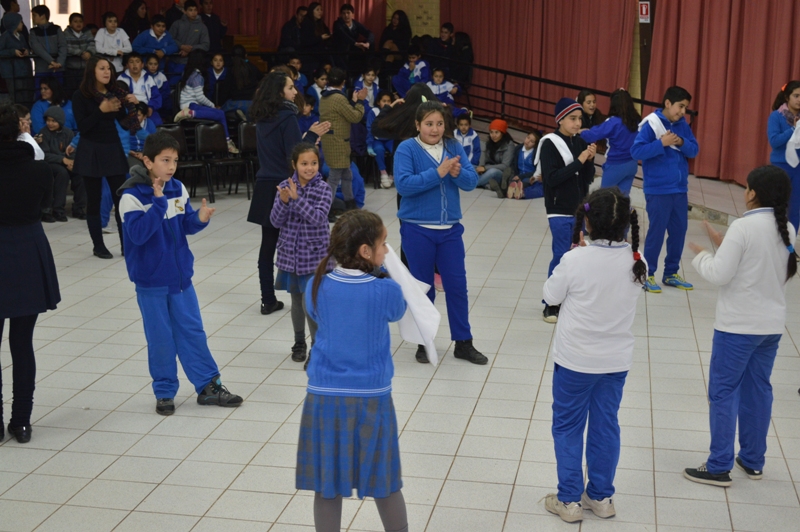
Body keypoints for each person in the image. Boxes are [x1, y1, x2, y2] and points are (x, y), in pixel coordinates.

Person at [683, 165, 797, 487]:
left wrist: (703, 255)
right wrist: (724, 245)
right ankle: (752, 459)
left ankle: (719, 464)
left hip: (737, 328)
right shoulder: (787, 227)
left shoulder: (743, 227)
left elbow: (720, 275)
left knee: (723, 392)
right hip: (771, 328)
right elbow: (760, 267)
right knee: (758, 391)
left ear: (752, 194)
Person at [297, 209, 408, 532]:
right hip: (371, 398)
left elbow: (316, 314)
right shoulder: (384, 289)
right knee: (385, 481)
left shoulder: (316, 286)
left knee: (326, 484)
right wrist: (386, 274)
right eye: (383, 244)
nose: (387, 251)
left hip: (324, 398)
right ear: (365, 251)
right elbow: (398, 311)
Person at [118, 131, 243, 415]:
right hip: (151, 282)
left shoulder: (178, 188)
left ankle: (209, 387)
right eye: (165, 160)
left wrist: (198, 220)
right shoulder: (131, 195)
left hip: (181, 279)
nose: (171, 166)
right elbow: (136, 235)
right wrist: (158, 202)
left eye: (174, 160)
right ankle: (164, 392)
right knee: (161, 337)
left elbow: (184, 224)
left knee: (192, 331)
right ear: (147, 161)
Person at [542, 187, 647, 523]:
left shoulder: (575, 259)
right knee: (605, 426)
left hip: (575, 361)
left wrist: (575, 253)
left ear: (586, 221)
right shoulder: (637, 261)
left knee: (568, 427)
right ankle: (601, 496)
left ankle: (569, 500)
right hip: (615, 361)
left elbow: (551, 295)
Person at [394, 100, 487, 365]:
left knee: (457, 286)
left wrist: (457, 173)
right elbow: (404, 185)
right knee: (424, 288)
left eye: (439, 124)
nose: (434, 129)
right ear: (417, 125)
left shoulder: (454, 146)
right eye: (428, 124)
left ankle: (463, 342)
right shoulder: (407, 149)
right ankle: (424, 341)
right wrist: (438, 173)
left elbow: (471, 182)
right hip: (417, 230)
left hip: (450, 231)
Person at [0, 101, 60, 444]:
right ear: (22, 132)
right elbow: (43, 204)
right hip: (27, 247)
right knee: (22, 344)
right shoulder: (39, 170)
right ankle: (21, 420)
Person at [248, 71, 330, 316]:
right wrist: (313, 137)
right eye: (291, 88)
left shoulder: (262, 117)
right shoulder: (287, 117)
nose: (295, 92)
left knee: (267, 246)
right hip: (285, 186)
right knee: (299, 242)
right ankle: (307, 295)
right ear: (280, 92)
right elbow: (296, 156)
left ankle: (267, 299)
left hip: (264, 183)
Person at [631, 85, 699, 293]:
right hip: (658, 189)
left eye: (685, 108)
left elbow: (694, 149)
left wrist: (680, 141)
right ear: (668, 103)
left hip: (679, 189)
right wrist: (662, 143)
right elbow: (636, 151)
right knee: (657, 233)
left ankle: (670, 273)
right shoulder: (651, 124)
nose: (682, 112)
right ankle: (647, 274)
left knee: (679, 232)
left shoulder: (682, 125)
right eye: (680, 106)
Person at [72, 55, 140, 259]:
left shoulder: (114, 94)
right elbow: (83, 128)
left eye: (109, 69)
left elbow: (126, 124)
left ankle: (125, 245)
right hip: (90, 149)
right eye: (102, 68)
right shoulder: (80, 95)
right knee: (93, 199)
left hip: (111, 148)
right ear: (92, 71)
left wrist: (133, 105)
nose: (106, 72)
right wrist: (101, 111)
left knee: (121, 199)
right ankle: (98, 245)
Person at [271, 142, 332, 364]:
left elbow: (317, 218)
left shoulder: (323, 189)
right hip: (291, 256)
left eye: (314, 163)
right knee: (296, 301)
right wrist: (284, 201)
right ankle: (299, 342)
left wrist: (297, 200)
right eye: (304, 163)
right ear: (294, 165)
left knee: (311, 303)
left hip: (314, 256)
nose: (309, 168)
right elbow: (275, 221)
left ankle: (318, 347)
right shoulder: (285, 186)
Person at [536, 98, 596, 323]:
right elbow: (551, 179)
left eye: (580, 119)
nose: (577, 123)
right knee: (561, 255)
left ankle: (570, 300)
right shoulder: (549, 143)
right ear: (560, 119)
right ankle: (550, 303)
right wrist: (580, 161)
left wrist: (589, 160)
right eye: (572, 118)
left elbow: (587, 178)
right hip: (559, 208)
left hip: (579, 208)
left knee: (577, 255)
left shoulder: (579, 142)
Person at [320, 67, 368, 211]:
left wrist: (353, 102)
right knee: (334, 177)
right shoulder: (338, 97)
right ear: (344, 82)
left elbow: (342, 114)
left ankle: (350, 204)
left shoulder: (325, 96)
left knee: (347, 174)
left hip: (330, 141)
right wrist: (360, 101)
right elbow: (355, 117)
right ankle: (326, 209)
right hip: (338, 142)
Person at [173, 49, 237, 153]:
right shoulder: (197, 76)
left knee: (220, 113)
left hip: (192, 104)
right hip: (191, 105)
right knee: (220, 114)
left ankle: (227, 142)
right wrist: (212, 105)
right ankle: (190, 113)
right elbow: (200, 97)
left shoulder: (189, 72)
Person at [580, 88, 641, 195]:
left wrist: (580, 132)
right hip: (632, 164)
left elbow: (592, 135)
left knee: (604, 198)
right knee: (623, 199)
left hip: (616, 165)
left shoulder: (613, 122)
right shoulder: (636, 120)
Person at [40, 105, 85, 223]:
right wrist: (62, 160)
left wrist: (72, 162)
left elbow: (73, 150)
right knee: (62, 173)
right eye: (48, 120)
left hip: (66, 161)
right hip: (51, 164)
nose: (50, 123)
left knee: (80, 172)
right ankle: (58, 209)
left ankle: (79, 208)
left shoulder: (68, 133)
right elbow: (44, 154)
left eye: (53, 121)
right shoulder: (43, 133)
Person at [767, 81, 800, 233]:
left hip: (798, 168)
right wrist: (794, 129)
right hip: (781, 167)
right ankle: (773, 243)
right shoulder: (776, 116)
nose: (799, 99)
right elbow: (774, 141)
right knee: (777, 206)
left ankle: (790, 247)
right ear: (787, 97)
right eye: (796, 96)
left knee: (795, 209)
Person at [118, 51, 163, 126]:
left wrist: (151, 107)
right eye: (131, 62)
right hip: (130, 109)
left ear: (142, 65)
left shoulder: (148, 78)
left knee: (157, 123)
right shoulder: (121, 79)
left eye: (137, 62)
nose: (135, 65)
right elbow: (119, 98)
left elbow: (156, 96)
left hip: (147, 107)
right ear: (127, 65)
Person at [168, 0, 210, 81]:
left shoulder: (202, 27)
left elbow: (206, 45)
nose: (193, 13)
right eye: (190, 10)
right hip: (174, 59)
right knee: (171, 86)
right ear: (184, 11)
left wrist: (190, 49)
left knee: (185, 86)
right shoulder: (177, 24)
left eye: (195, 10)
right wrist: (181, 46)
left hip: (191, 62)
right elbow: (169, 39)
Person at [0, 12, 33, 107]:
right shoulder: (5, 37)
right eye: (20, 22)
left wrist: (26, 51)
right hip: (12, 72)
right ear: (13, 23)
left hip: (24, 71)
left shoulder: (21, 36)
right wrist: (12, 52)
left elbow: (25, 47)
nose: (22, 24)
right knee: (16, 97)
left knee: (26, 95)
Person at [367, 91, 398, 189]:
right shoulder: (373, 112)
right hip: (377, 139)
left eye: (389, 101)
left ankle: (392, 175)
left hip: (390, 139)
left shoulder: (393, 111)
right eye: (384, 101)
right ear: (378, 102)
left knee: (396, 150)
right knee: (379, 150)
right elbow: (369, 128)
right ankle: (383, 173)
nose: (387, 103)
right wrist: (369, 144)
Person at [219, 44, 263, 114]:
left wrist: (220, 104)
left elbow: (225, 89)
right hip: (251, 103)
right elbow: (262, 80)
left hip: (234, 103)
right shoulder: (253, 68)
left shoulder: (231, 69)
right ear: (245, 55)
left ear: (232, 57)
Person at [476, 119, 515, 195]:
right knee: (471, 167)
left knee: (492, 171)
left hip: (503, 174)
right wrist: (481, 167)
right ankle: (490, 186)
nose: (493, 135)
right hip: (489, 169)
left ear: (502, 133)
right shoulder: (489, 143)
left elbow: (505, 166)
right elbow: (485, 160)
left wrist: (485, 168)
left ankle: (473, 184)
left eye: (496, 132)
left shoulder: (509, 145)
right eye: (491, 132)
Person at [332, 3, 373, 71]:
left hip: (353, 50)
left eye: (348, 13)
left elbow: (369, 33)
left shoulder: (355, 24)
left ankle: (369, 68)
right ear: (341, 15)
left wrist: (368, 43)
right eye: (344, 13)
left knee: (370, 44)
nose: (346, 15)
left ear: (352, 14)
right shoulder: (337, 24)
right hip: (341, 52)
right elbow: (344, 36)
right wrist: (356, 44)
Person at [29, 5, 66, 81]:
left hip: (58, 68)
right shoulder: (33, 32)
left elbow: (63, 46)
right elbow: (37, 48)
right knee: (41, 90)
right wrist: (52, 61)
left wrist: (59, 63)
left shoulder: (57, 29)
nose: (32, 18)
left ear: (42, 16)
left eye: (34, 15)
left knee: (58, 90)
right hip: (41, 68)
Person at [505, 130, 544, 200]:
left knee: (527, 182)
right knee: (512, 179)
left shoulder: (537, 153)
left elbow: (536, 170)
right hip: (517, 175)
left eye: (532, 141)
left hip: (529, 176)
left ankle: (515, 190)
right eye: (528, 138)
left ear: (535, 145)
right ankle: (511, 189)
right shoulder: (518, 149)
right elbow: (514, 165)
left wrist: (521, 176)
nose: (528, 141)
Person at [63, 13, 96, 95]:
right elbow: (67, 48)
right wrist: (81, 53)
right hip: (71, 69)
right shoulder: (65, 33)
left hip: (85, 68)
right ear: (70, 24)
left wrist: (89, 53)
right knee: (72, 92)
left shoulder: (87, 32)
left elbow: (92, 44)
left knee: (85, 90)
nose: (78, 24)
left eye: (80, 21)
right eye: (75, 21)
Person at [378, 10, 411, 75]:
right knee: (390, 57)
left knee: (389, 43)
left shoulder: (405, 30)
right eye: (394, 18)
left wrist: (393, 42)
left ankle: (382, 59)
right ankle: (387, 77)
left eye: (397, 19)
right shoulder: (387, 29)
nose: (395, 20)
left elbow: (404, 44)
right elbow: (381, 42)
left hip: (400, 53)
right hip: (389, 53)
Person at [128, 102, 156, 168]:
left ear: (145, 116)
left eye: (138, 115)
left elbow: (155, 143)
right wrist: (129, 151)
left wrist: (145, 154)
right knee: (137, 168)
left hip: (147, 153)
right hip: (131, 153)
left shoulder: (150, 124)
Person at [144, 53, 171, 121]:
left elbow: (166, 92)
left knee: (168, 102)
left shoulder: (162, 76)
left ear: (158, 65)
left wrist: (159, 99)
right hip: (147, 100)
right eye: (150, 64)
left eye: (155, 64)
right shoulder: (143, 75)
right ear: (146, 64)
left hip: (160, 101)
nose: (153, 66)